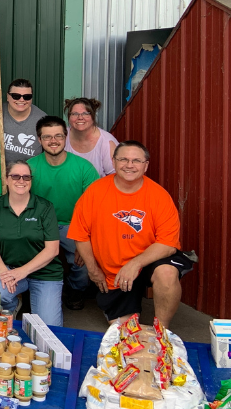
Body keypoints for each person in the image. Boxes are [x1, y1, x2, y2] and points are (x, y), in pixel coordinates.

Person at [67, 141, 190, 329]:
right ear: (114, 162)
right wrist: (93, 270)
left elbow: (167, 243)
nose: (129, 165)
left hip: (149, 260)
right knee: (125, 331)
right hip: (113, 271)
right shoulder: (95, 192)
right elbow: (80, 234)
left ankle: (161, 332)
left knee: (167, 273)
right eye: (123, 159)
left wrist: (135, 263)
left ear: (145, 165)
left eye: (136, 160)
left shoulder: (159, 195)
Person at [28, 115, 99, 311]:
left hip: (73, 226)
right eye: (47, 136)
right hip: (39, 226)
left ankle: (76, 291)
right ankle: (29, 292)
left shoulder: (84, 168)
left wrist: (85, 240)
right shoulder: (30, 167)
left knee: (83, 264)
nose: (53, 141)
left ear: (66, 137)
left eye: (58, 136)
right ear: (39, 139)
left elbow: (94, 208)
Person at [0, 161, 63, 326]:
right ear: (6, 179)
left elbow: (53, 250)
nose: (21, 180)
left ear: (31, 181)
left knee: (49, 329)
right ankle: (13, 305)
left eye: (26, 177)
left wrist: (22, 272)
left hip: (45, 273)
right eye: (15, 176)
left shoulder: (45, 207)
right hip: (10, 268)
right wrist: (3, 271)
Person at [64, 97, 118, 176]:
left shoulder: (106, 142)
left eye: (85, 114)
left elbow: (115, 177)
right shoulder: (61, 136)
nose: (80, 118)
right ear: (69, 117)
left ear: (93, 116)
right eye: (75, 114)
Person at [3, 78, 47, 163]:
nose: (21, 100)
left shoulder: (42, 119)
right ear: (8, 97)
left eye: (27, 97)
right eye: (16, 96)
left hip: (29, 173)